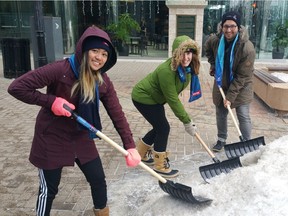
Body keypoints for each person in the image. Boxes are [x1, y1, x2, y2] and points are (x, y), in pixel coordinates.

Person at [7, 26, 141, 216]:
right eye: (95, 51)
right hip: (52, 135)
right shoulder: (60, 69)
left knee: (98, 179)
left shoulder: (102, 81)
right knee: (49, 189)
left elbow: (117, 113)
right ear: (84, 50)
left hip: (81, 134)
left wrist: (130, 146)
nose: (99, 57)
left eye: (104, 54)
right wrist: (51, 101)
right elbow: (16, 87)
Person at [132, 35, 200, 178]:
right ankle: (160, 165)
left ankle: (140, 152)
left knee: (159, 126)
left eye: (189, 53)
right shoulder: (167, 71)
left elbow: (175, 93)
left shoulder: (187, 70)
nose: (186, 57)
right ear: (176, 54)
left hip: (155, 99)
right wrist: (187, 121)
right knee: (163, 128)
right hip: (143, 97)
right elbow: (173, 99)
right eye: (183, 53)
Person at [205, 11, 256, 152]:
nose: (228, 30)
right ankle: (221, 139)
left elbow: (242, 76)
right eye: (226, 26)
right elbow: (208, 49)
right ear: (221, 26)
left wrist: (230, 97)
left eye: (232, 26)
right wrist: (213, 65)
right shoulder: (215, 40)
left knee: (243, 114)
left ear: (238, 27)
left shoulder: (247, 47)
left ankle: (246, 143)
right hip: (222, 81)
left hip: (242, 85)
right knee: (221, 112)